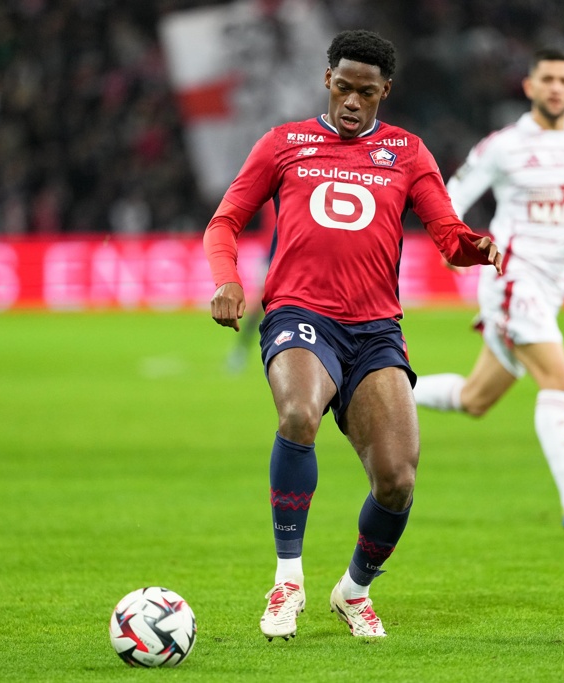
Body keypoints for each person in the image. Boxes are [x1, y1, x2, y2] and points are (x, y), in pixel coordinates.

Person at [203, 30, 502, 641]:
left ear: (384, 91)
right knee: (298, 415)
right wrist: (227, 280)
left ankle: (354, 590)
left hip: (374, 330)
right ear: (327, 80)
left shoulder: (408, 153)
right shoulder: (284, 143)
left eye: (366, 92)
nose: (352, 102)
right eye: (343, 87)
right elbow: (224, 222)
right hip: (299, 313)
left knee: (397, 480)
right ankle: (288, 581)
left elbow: (449, 236)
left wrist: (478, 247)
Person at [412, 48, 564, 532]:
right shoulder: (504, 146)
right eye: (548, 79)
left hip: (552, 287)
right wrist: (452, 242)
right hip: (512, 278)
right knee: (559, 379)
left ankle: (379, 389)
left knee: (475, 399)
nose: (556, 87)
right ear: (530, 86)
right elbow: (450, 194)